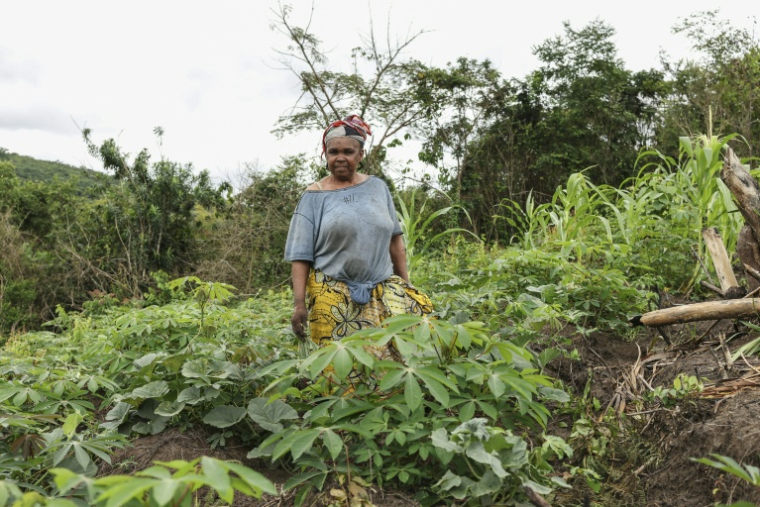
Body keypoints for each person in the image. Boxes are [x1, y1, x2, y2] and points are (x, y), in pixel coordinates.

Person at [284, 115, 433, 363]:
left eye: (348, 151)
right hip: (332, 297)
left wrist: (407, 287)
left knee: (389, 366)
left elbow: (395, 243)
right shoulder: (313, 196)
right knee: (341, 372)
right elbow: (300, 255)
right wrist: (299, 304)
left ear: (360, 155)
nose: (340, 157)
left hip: (382, 292)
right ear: (325, 155)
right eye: (333, 152)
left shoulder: (378, 188)